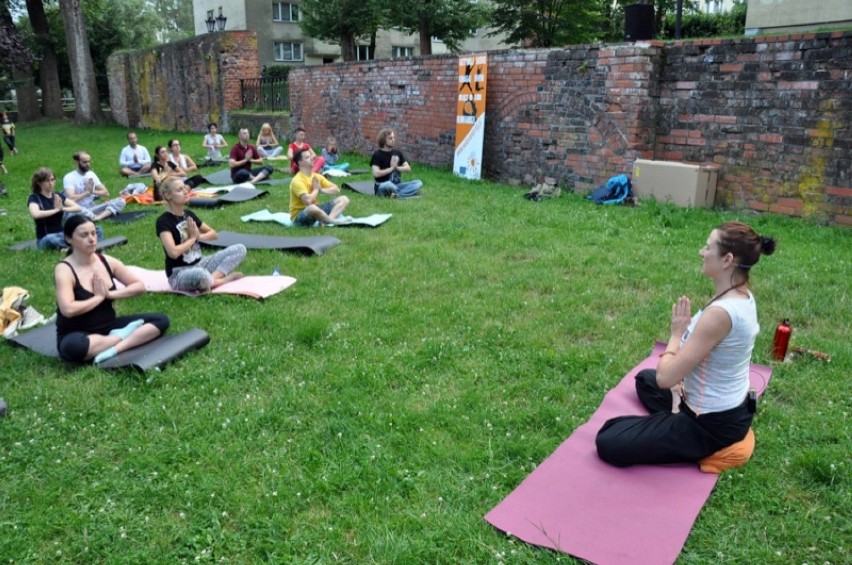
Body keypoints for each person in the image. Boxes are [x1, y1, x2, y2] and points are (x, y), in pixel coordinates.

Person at [595, 222, 777, 467]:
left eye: (708, 247)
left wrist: (675, 334)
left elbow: (666, 379)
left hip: (710, 425)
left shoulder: (720, 314)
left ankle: (700, 440)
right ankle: (674, 418)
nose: (702, 252)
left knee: (609, 438)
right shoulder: (741, 294)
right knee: (644, 380)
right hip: (731, 408)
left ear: (727, 260)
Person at [54, 214, 169, 364]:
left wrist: (110, 294)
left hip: (109, 326)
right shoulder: (64, 269)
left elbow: (139, 287)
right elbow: (68, 309)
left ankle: (116, 348)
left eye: (94, 233)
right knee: (74, 348)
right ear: (69, 239)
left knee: (160, 320)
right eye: (84, 235)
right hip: (77, 333)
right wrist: (98, 298)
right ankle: (120, 337)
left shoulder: (107, 261)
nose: (91, 239)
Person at [157, 176, 247, 291]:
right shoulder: (164, 221)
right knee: (200, 275)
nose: (185, 192)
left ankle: (212, 280)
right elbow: (173, 253)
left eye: (184, 188)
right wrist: (192, 238)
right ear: (168, 195)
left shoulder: (188, 214)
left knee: (240, 249)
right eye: (179, 190)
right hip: (180, 274)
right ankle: (221, 280)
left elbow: (214, 234)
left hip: (201, 263)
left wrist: (199, 237)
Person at [28, 167, 99, 250]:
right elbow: (35, 214)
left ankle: (72, 245)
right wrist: (56, 210)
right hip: (45, 238)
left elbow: (77, 207)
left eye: (52, 180)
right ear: (39, 183)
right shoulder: (34, 198)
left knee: (97, 230)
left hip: (62, 234)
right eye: (47, 181)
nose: (51, 183)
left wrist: (62, 209)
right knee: (51, 239)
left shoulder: (57, 195)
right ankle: (77, 244)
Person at [289, 148, 351, 227]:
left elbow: (336, 190)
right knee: (312, 207)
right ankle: (333, 221)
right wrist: (316, 189)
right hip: (300, 216)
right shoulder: (297, 180)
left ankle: (326, 221)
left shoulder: (316, 176)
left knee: (344, 199)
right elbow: (308, 201)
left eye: (311, 156)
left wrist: (321, 190)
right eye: (308, 157)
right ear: (300, 163)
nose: (312, 158)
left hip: (316, 209)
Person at [62, 152, 126, 221]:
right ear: (77, 162)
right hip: (78, 209)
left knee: (121, 201)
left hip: (92, 207)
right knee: (75, 215)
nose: (88, 164)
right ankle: (97, 215)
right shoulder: (69, 177)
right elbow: (71, 199)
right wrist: (87, 192)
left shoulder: (91, 174)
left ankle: (98, 218)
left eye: (89, 161)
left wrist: (92, 191)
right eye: (85, 162)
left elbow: (106, 193)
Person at [370, 128, 422, 198]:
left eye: (394, 138)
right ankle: (404, 194)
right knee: (388, 185)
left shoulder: (397, 153)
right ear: (383, 140)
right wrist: (391, 168)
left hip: (397, 186)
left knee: (418, 183)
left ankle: (397, 195)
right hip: (382, 186)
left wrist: (396, 167)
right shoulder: (377, 155)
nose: (393, 140)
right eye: (390, 138)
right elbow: (376, 173)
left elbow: (408, 168)